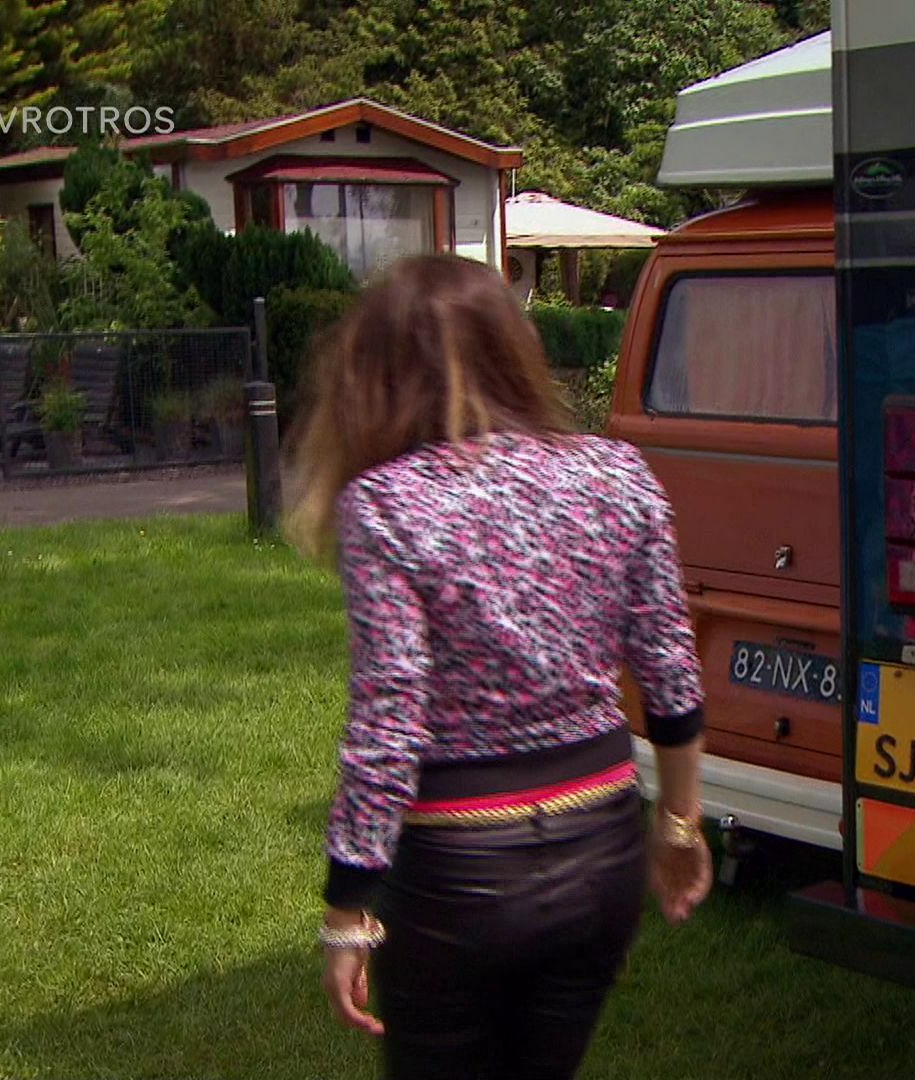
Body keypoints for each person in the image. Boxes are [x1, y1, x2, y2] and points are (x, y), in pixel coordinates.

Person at [285, 254, 713, 1080]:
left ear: (380, 372)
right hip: (600, 852)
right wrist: (679, 823)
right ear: (514, 347)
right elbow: (669, 667)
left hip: (456, 874)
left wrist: (348, 909)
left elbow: (388, 723)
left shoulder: (385, 503)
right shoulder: (618, 474)